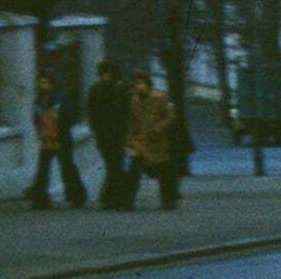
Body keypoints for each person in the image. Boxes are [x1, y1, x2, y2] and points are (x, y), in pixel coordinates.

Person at [26, 72, 88, 209]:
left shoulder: (61, 100)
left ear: (52, 85)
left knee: (67, 168)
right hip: (46, 139)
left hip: (62, 139)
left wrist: (60, 133)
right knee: (43, 169)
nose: (42, 85)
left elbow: (68, 118)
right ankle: (40, 200)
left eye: (45, 83)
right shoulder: (38, 101)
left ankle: (77, 197)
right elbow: (36, 119)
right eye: (40, 82)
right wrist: (41, 134)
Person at [122, 71, 180, 210]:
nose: (138, 86)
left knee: (164, 172)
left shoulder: (159, 98)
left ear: (148, 85)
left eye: (141, 83)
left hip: (156, 141)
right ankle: (128, 201)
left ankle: (168, 200)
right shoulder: (133, 101)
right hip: (140, 142)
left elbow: (170, 116)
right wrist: (127, 141)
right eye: (136, 84)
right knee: (133, 171)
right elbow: (131, 122)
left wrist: (159, 128)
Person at [86, 60, 130, 209]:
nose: (106, 76)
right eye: (104, 73)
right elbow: (91, 109)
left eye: (108, 73)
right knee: (113, 164)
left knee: (114, 164)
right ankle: (113, 197)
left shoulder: (122, 89)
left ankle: (111, 197)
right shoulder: (97, 89)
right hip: (104, 132)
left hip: (119, 132)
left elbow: (127, 112)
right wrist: (94, 127)